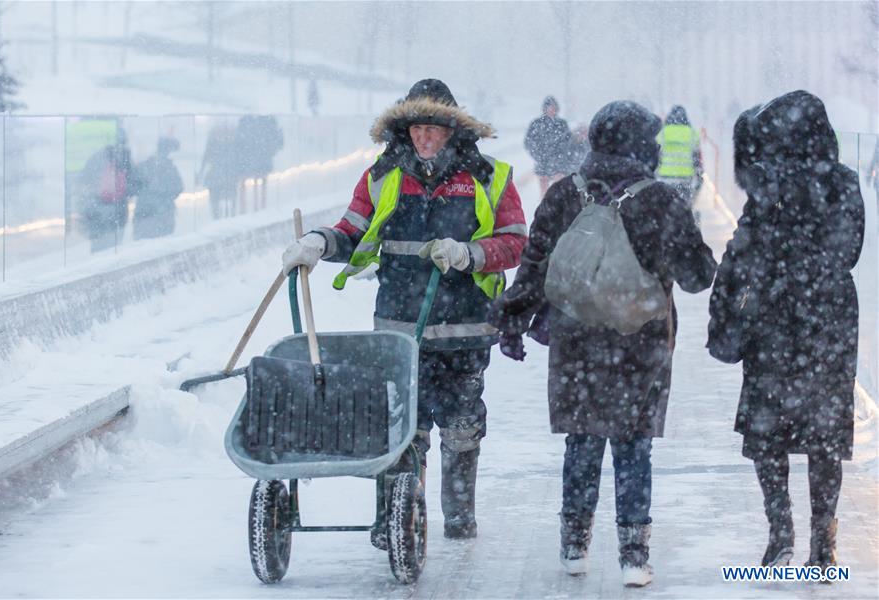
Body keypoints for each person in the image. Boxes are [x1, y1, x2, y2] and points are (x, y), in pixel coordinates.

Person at [280, 78, 528, 542]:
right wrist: (319, 242)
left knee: (461, 428)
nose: (424, 138)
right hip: (397, 331)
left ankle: (458, 518)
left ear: (453, 129)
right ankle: (398, 521)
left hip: (465, 329)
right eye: (417, 128)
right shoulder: (381, 176)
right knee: (400, 432)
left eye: (433, 128)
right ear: (405, 129)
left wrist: (469, 254)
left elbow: (515, 242)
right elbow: (352, 230)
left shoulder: (490, 176)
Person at [489, 100, 716, 587]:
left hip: (577, 342)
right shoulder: (660, 201)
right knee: (634, 445)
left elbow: (533, 269)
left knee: (583, 441)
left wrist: (512, 320)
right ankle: (634, 556)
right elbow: (698, 277)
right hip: (643, 341)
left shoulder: (565, 196)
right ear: (643, 145)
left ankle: (574, 546)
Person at [707, 91, 864, 574]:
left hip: (772, 323)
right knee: (825, 438)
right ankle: (824, 541)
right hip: (829, 322)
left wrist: (725, 305)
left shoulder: (768, 185)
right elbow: (849, 250)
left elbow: (744, 249)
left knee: (768, 433)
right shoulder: (843, 183)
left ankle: (780, 534)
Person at [79, 128, 141, 253]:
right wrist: (122, 192)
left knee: (98, 247)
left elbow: (84, 180)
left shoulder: (96, 157)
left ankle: (97, 269)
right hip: (118, 209)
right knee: (114, 248)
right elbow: (135, 185)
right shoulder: (125, 158)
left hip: (97, 209)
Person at [655, 105, 704, 219]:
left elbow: (656, 155)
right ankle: (684, 224)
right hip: (685, 178)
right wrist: (699, 176)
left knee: (664, 207)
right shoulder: (692, 134)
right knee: (684, 206)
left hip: (664, 177)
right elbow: (696, 159)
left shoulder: (662, 133)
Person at [132, 137, 183, 240]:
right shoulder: (169, 167)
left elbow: (133, 186)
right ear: (168, 150)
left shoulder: (144, 165)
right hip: (163, 213)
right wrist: (167, 196)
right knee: (162, 243)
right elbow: (179, 187)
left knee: (142, 245)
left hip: (144, 211)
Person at [524, 96, 573, 196]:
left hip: (559, 164)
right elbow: (528, 142)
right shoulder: (536, 124)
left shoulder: (562, 124)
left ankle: (558, 208)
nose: (552, 110)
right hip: (543, 162)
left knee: (559, 189)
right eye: (550, 107)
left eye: (554, 107)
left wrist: (562, 156)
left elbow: (569, 143)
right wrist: (538, 155)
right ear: (544, 108)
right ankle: (544, 207)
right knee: (544, 190)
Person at [235, 115, 284, 212]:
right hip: (262, 160)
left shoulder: (245, 123)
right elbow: (278, 143)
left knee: (245, 185)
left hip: (246, 161)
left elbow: (238, 144)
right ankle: (261, 208)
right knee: (261, 183)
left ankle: (245, 209)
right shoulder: (269, 123)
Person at [198, 121, 239, 219]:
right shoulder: (233, 138)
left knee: (215, 198)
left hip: (216, 175)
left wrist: (201, 172)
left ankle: (217, 218)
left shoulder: (213, 140)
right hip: (229, 174)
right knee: (231, 197)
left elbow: (206, 157)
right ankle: (230, 216)